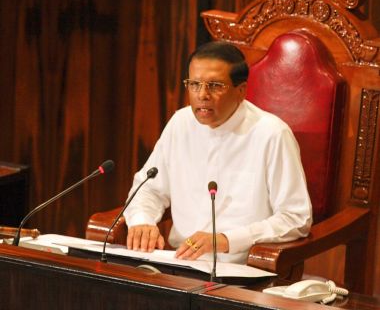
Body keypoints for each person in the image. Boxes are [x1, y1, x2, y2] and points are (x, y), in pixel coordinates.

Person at [124, 41, 312, 264]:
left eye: (215, 86)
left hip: (244, 268)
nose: (202, 95)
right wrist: (142, 221)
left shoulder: (272, 134)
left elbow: (296, 218)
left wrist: (226, 240)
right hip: (178, 263)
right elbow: (148, 190)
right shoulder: (180, 123)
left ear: (240, 91)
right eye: (194, 84)